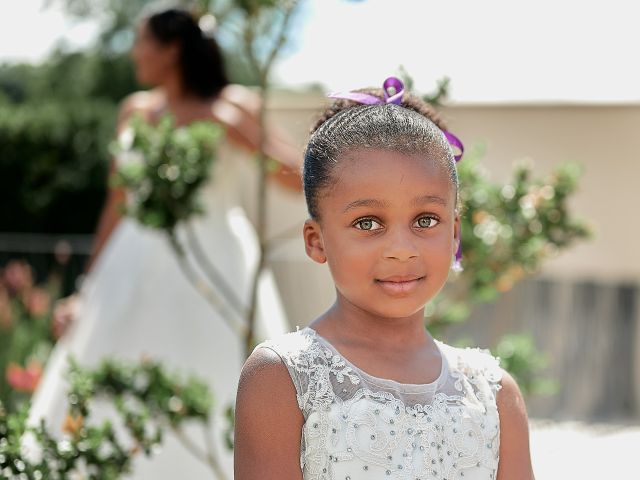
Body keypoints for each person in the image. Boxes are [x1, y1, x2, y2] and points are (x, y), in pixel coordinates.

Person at [29, 7, 301, 478]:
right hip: (132, 268)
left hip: (219, 267)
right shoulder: (134, 110)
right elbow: (117, 203)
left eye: (141, 41)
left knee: (220, 369)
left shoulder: (233, 106)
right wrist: (85, 289)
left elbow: (296, 178)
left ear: (170, 49)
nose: (134, 51)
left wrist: (239, 132)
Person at [234, 77, 535, 479]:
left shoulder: (494, 394)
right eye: (368, 222)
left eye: (425, 220)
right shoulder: (283, 376)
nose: (401, 248)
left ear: (455, 234)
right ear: (316, 240)